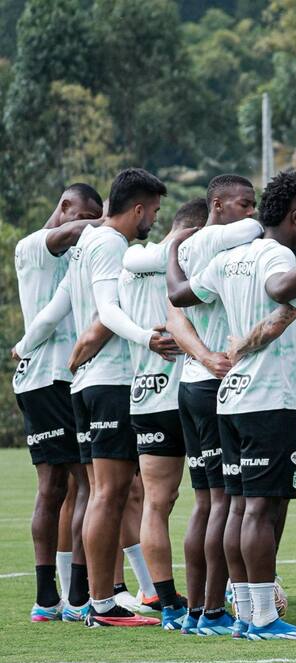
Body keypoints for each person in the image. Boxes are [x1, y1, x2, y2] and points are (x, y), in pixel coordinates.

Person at [169, 170, 296, 640]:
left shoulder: (230, 258)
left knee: (239, 507)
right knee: (259, 509)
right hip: (269, 399)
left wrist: (172, 252)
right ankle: (263, 616)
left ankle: (245, 613)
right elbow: (281, 289)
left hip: (230, 398)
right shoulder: (275, 254)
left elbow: (179, 294)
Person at [15, 168, 174, 626]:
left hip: (85, 383)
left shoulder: (84, 249)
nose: (154, 221)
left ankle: (95, 596)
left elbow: (54, 310)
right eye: (154, 212)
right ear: (139, 209)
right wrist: (146, 337)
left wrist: (27, 346)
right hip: (108, 382)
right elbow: (108, 310)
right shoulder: (108, 244)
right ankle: (101, 602)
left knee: (98, 491)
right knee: (110, 492)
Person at [168, 174, 263, 634]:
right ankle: (213, 610)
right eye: (244, 203)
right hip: (217, 382)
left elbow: (176, 312)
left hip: (190, 381)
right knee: (225, 502)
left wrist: (172, 244)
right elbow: (253, 230)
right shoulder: (229, 237)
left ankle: (195, 612)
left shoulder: (184, 249)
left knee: (205, 502)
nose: (251, 212)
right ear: (218, 203)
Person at [118, 198, 213, 629]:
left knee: (157, 503)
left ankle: (168, 602)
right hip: (191, 391)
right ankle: (213, 599)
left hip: (146, 394)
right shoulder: (194, 259)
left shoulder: (135, 261)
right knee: (216, 499)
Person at [12, 183, 101, 622]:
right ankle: (74, 595)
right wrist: (114, 224)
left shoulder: (73, 257)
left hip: (54, 378)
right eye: (83, 216)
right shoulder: (33, 247)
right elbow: (66, 235)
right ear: (64, 208)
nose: (85, 228)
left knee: (59, 488)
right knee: (82, 482)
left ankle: (52, 598)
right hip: (50, 378)